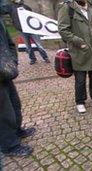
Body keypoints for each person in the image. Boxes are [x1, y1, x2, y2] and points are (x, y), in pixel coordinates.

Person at [0, 0, 36, 157]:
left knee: (15, 104)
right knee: (3, 112)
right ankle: (9, 145)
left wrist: (12, 62)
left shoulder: (1, 19)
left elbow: (10, 42)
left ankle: (17, 130)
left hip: (5, 71)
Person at [58, 0, 92, 113]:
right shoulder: (67, 7)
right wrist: (79, 42)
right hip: (79, 51)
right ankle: (80, 101)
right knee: (80, 80)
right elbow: (63, 29)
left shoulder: (91, 7)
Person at [2, 0, 50, 65]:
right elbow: (4, 11)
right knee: (28, 46)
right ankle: (32, 59)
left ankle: (45, 57)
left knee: (38, 45)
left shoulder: (26, 7)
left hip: (31, 29)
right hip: (22, 30)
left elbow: (32, 16)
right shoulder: (11, 7)